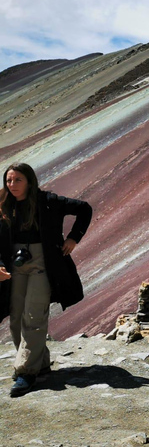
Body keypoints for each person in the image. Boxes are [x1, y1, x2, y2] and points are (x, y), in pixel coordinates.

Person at [0, 163, 92, 397]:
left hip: (43, 263)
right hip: (14, 265)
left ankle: (26, 372)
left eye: (17, 180)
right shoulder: (3, 205)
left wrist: (73, 238)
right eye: (9, 181)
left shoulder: (49, 201)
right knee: (16, 316)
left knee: (33, 315)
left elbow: (84, 209)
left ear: (30, 181)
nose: (12, 185)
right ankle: (39, 363)